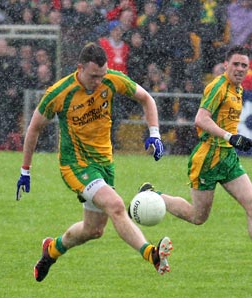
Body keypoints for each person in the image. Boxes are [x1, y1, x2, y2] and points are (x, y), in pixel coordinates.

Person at [16, 42, 172, 282]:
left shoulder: (111, 79)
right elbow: (34, 129)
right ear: (79, 68)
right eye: (93, 76)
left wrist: (155, 133)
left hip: (104, 164)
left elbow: (147, 99)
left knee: (94, 230)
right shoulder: (59, 93)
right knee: (116, 205)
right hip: (76, 165)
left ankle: (52, 249)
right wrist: (25, 170)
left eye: (102, 75)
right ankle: (151, 254)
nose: (98, 81)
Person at [140, 46, 252, 275]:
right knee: (198, 217)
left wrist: (230, 141)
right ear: (226, 65)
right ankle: (154, 196)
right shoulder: (218, 87)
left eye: (244, 65)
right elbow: (200, 119)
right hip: (209, 157)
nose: (240, 69)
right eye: (236, 64)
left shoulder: (238, 89)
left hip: (227, 157)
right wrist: (230, 136)